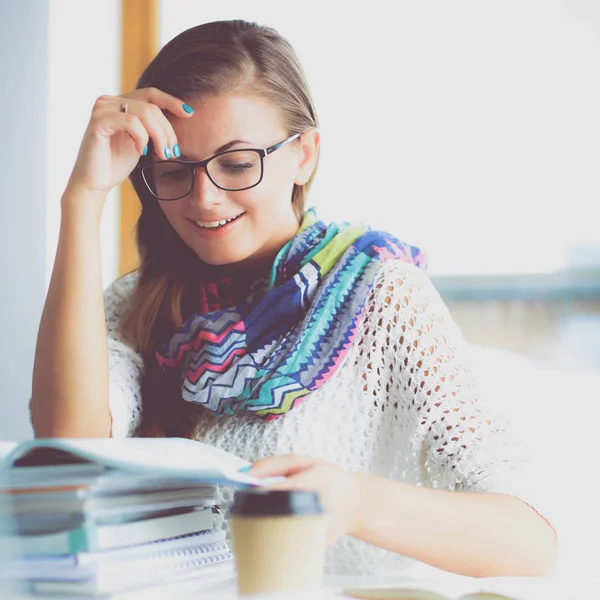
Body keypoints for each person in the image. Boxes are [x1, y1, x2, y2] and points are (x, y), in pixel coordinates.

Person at [30, 19, 556, 578]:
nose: (205, 199)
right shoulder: (135, 303)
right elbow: (70, 445)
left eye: (236, 164)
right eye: (176, 170)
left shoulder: (378, 293)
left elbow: (529, 541)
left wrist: (354, 502)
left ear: (303, 155)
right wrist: (83, 198)